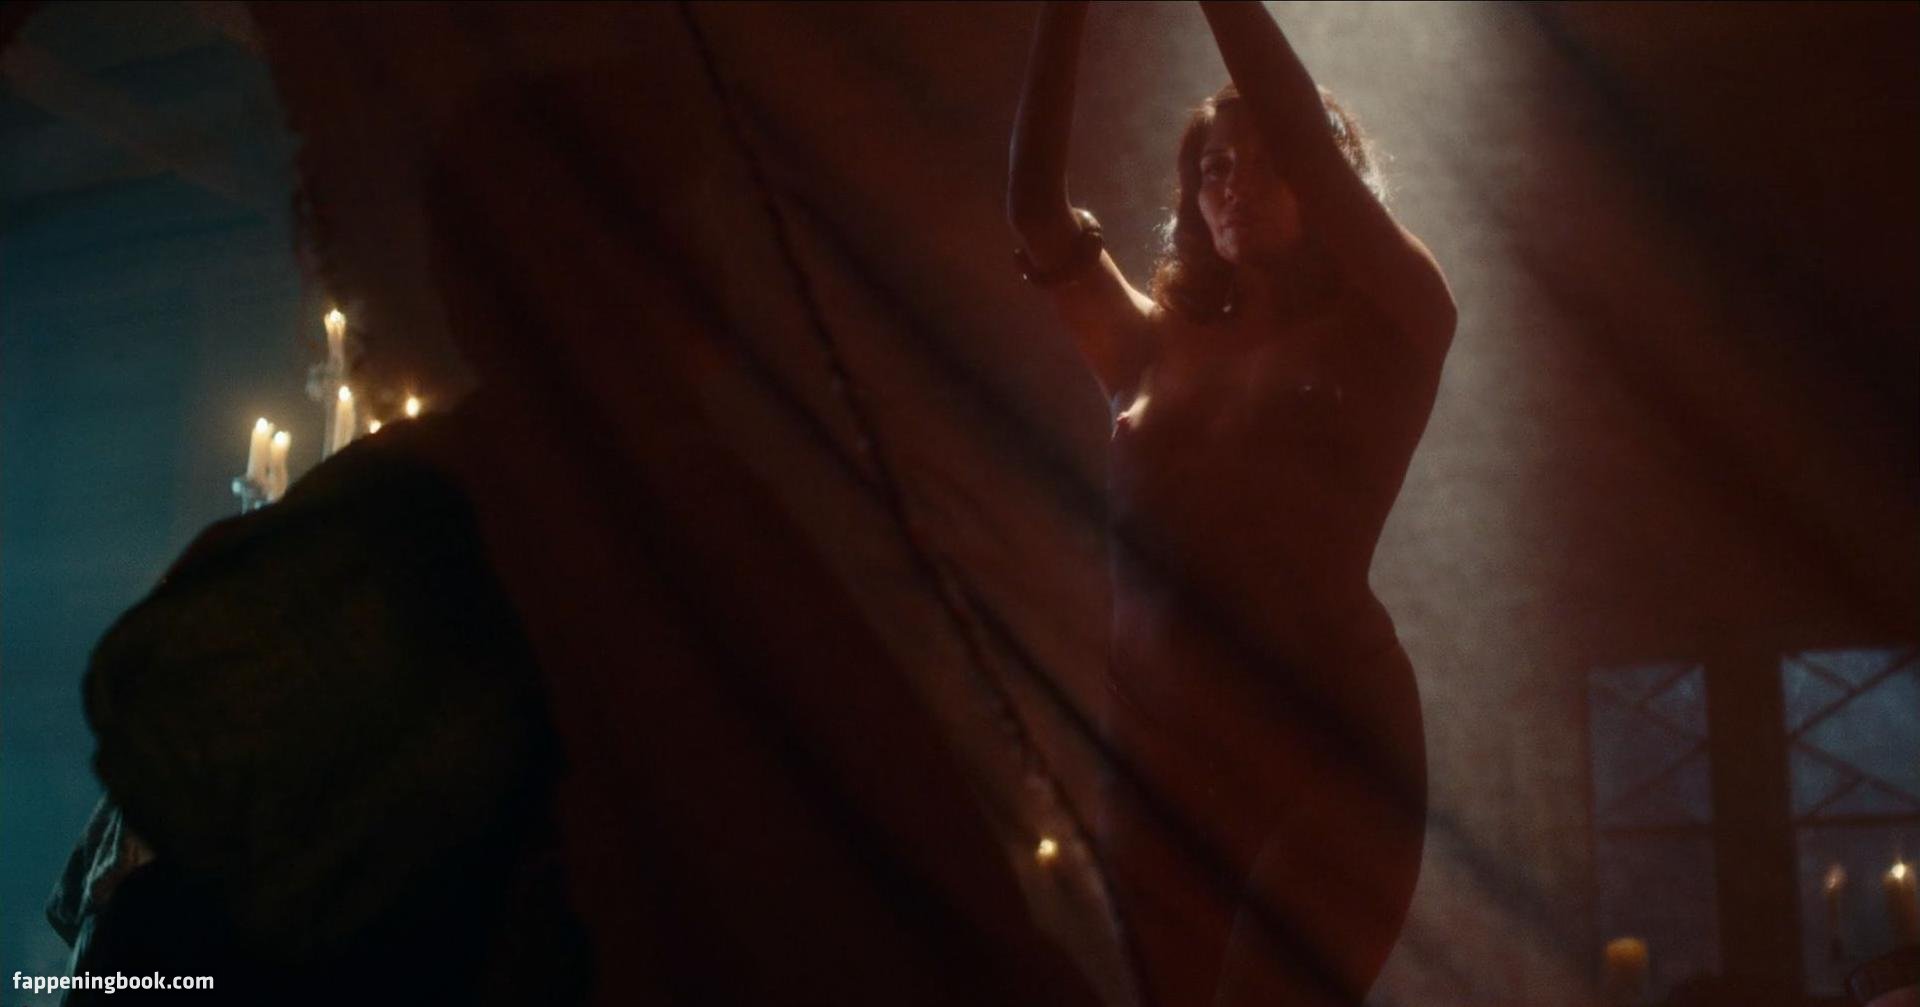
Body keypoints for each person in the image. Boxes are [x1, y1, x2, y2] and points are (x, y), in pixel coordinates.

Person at [1008, 3, 1456, 1004]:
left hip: (1332, 749)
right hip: (1156, 757)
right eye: (1214, 167)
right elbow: (1035, 210)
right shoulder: (1146, 347)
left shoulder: (1397, 316)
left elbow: (1308, 142)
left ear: (1326, 178)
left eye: (1266, 161)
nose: (1236, 183)